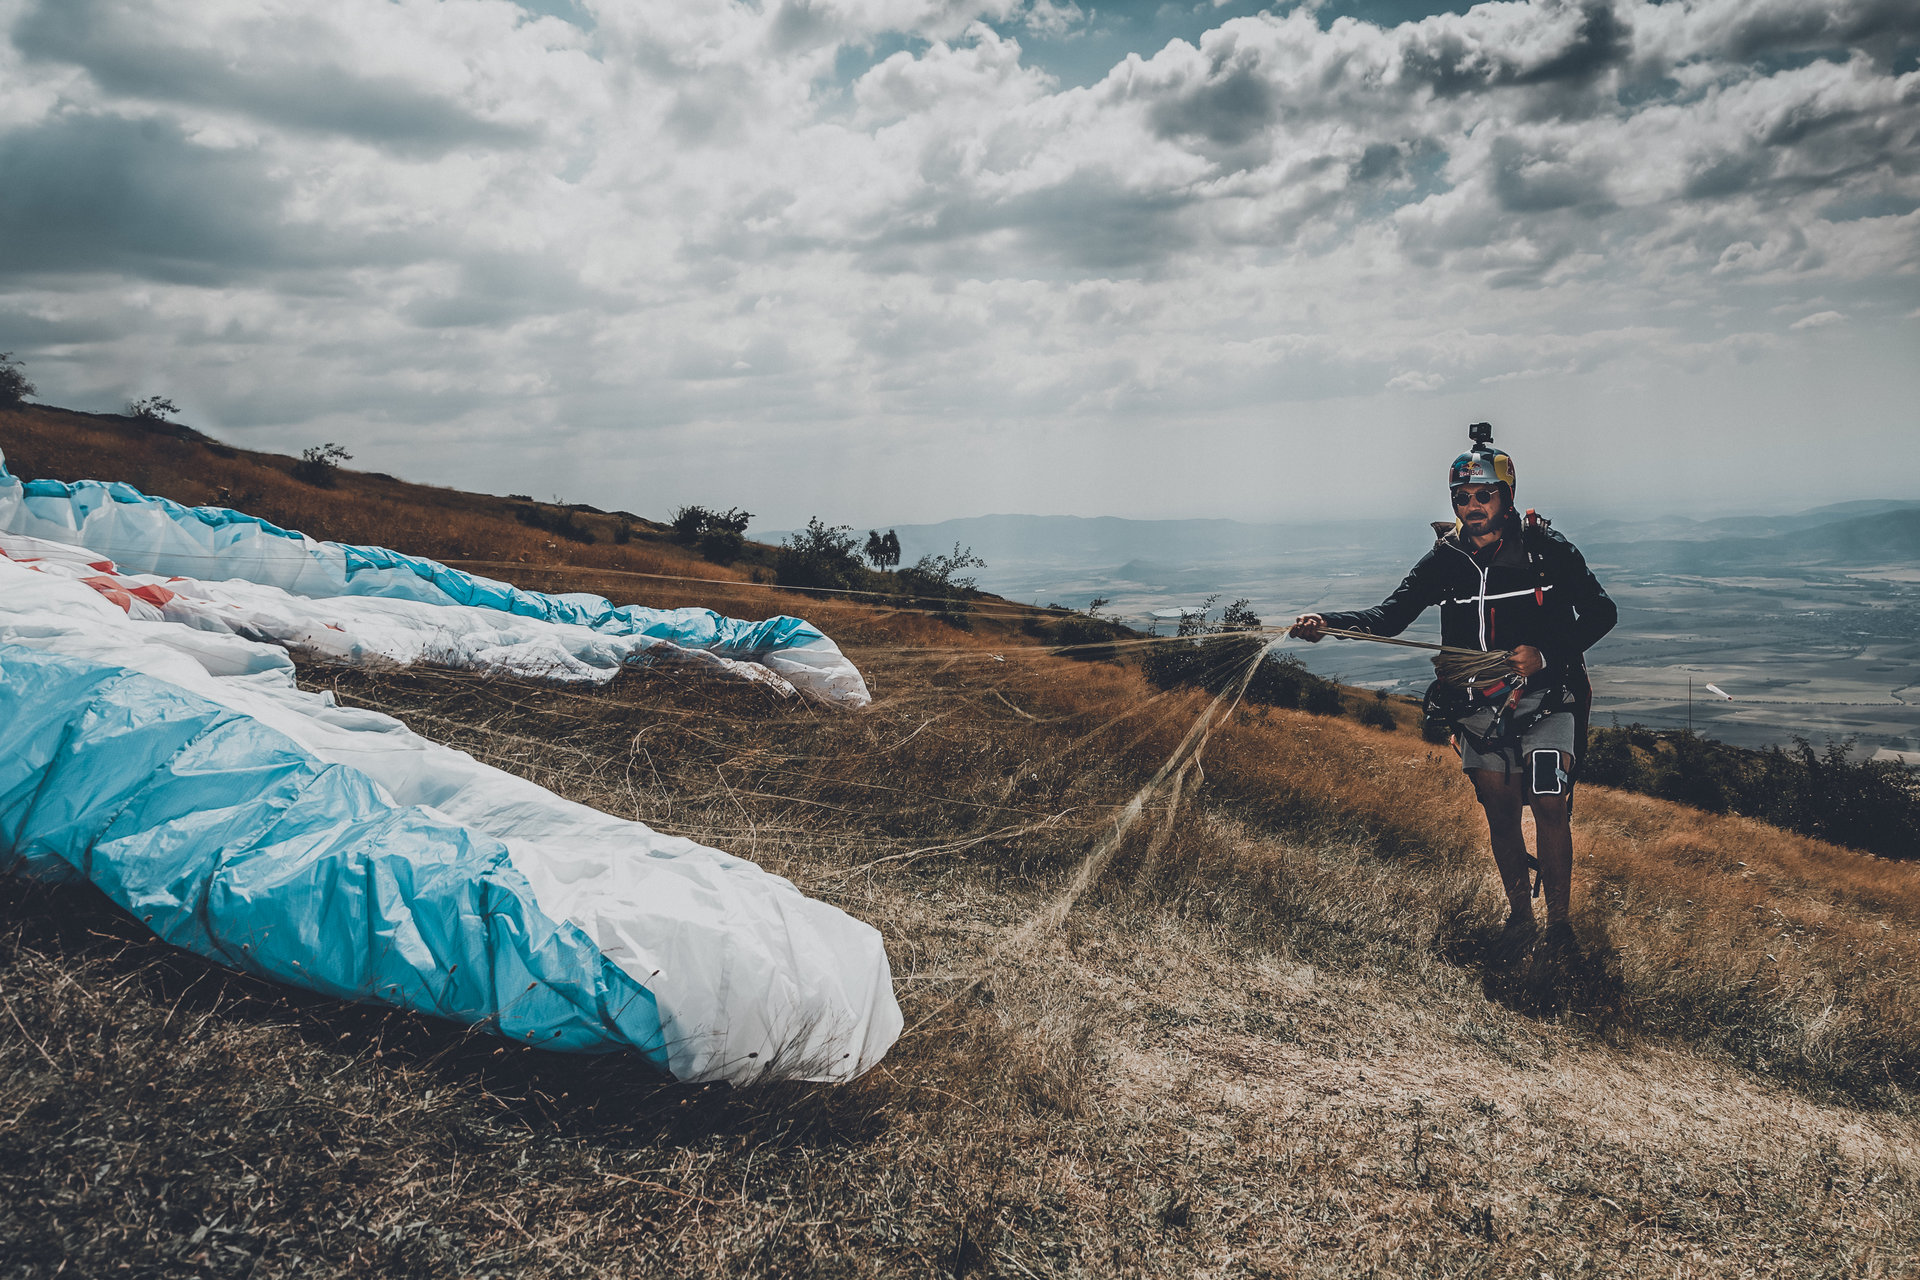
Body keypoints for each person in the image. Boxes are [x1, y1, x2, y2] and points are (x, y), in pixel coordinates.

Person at [1289, 424, 1616, 961]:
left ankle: (1560, 929)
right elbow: (1389, 617)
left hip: (1549, 694)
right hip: (1476, 702)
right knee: (1501, 810)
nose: (1472, 506)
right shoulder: (1445, 560)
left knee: (1551, 803)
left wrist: (1547, 654)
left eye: (1483, 494)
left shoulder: (1545, 549)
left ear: (1507, 496)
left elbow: (1602, 613)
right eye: (1461, 497)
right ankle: (1521, 920)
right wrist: (1329, 622)